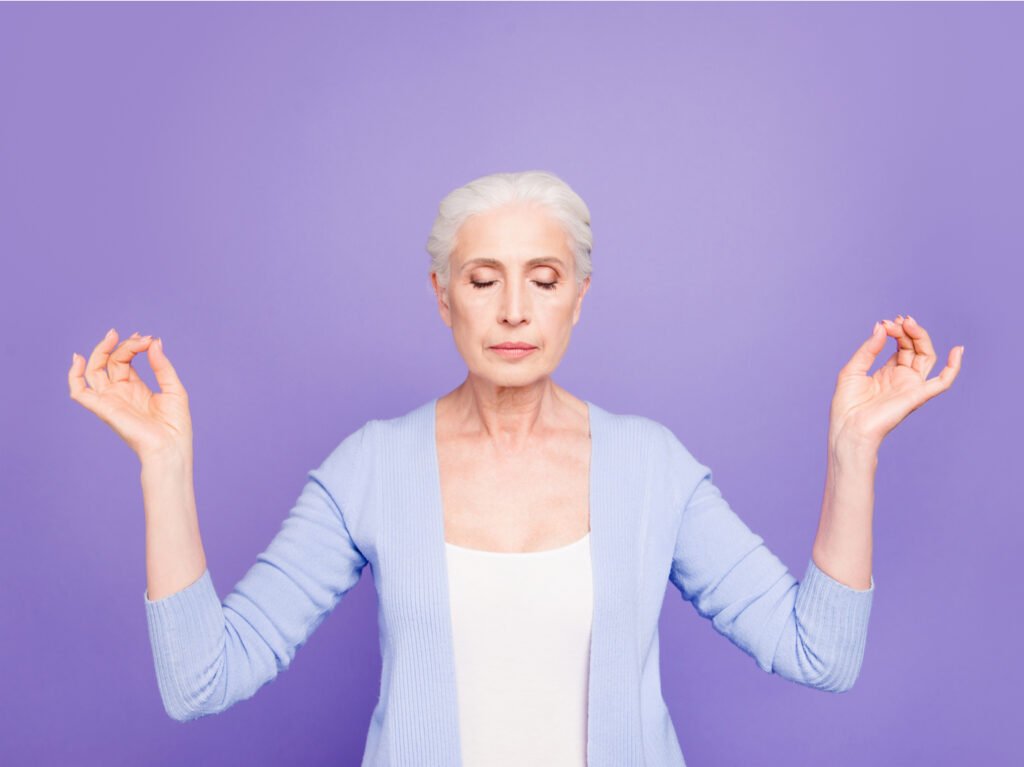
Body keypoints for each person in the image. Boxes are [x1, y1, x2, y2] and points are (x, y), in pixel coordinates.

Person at [68, 170, 964, 766]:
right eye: (482, 276)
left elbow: (821, 654)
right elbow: (199, 681)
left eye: (543, 276)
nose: (512, 308)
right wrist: (163, 461)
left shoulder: (650, 467)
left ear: (579, 296)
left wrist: (854, 449)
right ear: (441, 294)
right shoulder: (373, 468)